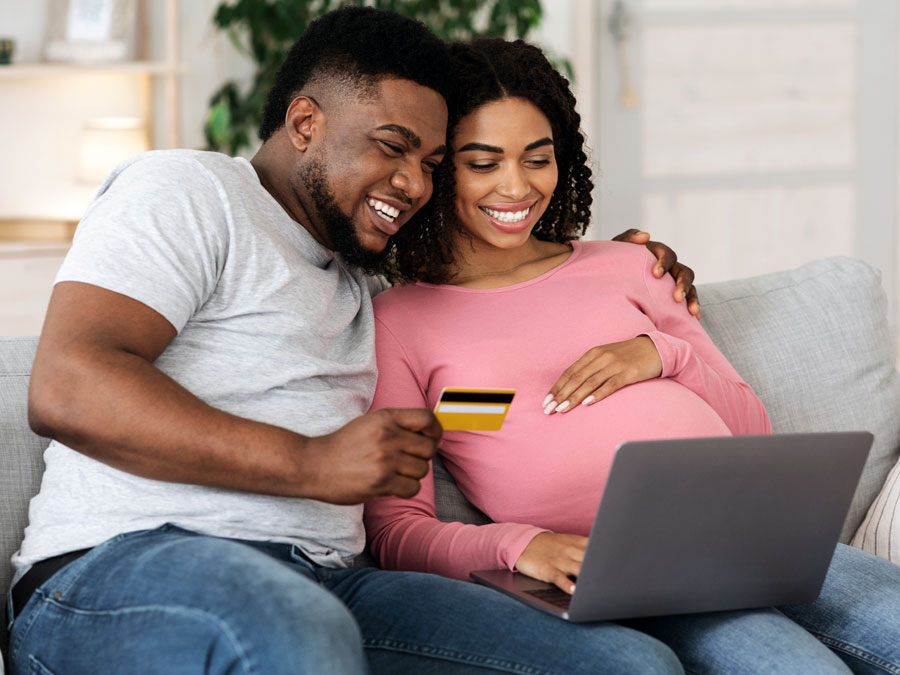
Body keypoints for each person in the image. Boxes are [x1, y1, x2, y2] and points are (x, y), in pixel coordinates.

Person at [7, 8, 700, 675]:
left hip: (329, 585)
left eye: (432, 162)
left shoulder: (369, 290)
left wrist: (626, 273)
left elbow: (473, 384)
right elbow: (69, 382)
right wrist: (312, 463)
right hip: (119, 572)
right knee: (294, 624)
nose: (415, 184)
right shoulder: (193, 190)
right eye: (392, 146)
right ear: (305, 121)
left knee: (628, 662)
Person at [364, 38, 900, 675]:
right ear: (439, 164)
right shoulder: (400, 321)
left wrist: (661, 354)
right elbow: (395, 528)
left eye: (538, 159)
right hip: (630, 570)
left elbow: (751, 431)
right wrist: (521, 546)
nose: (517, 185)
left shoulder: (631, 267)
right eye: (484, 163)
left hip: (757, 535)